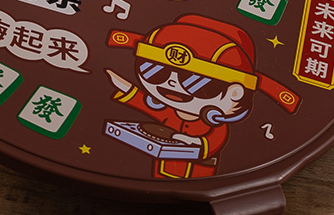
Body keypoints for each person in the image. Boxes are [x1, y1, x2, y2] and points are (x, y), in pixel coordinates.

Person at [105, 13, 300, 179]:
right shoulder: (171, 112)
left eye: (195, 82)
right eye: (154, 71)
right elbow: (146, 105)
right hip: (161, 169)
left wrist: (197, 143)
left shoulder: (214, 125)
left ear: (235, 93)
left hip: (199, 173)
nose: (171, 83)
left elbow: (214, 142)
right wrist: (126, 88)